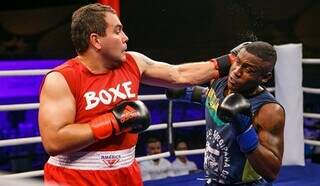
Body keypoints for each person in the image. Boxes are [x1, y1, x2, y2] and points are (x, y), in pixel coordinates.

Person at [38, 3, 239, 186]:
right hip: (75, 176)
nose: (125, 37)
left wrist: (230, 61)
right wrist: (114, 122)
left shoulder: (132, 61)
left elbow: (178, 74)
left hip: (126, 172)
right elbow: (54, 141)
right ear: (96, 40)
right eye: (117, 31)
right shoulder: (62, 78)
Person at [167, 41, 285, 185]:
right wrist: (186, 92)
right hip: (213, 181)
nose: (237, 71)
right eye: (238, 62)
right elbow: (211, 98)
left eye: (249, 69)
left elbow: (271, 172)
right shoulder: (219, 81)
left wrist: (245, 130)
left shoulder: (269, 110)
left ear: (265, 77)